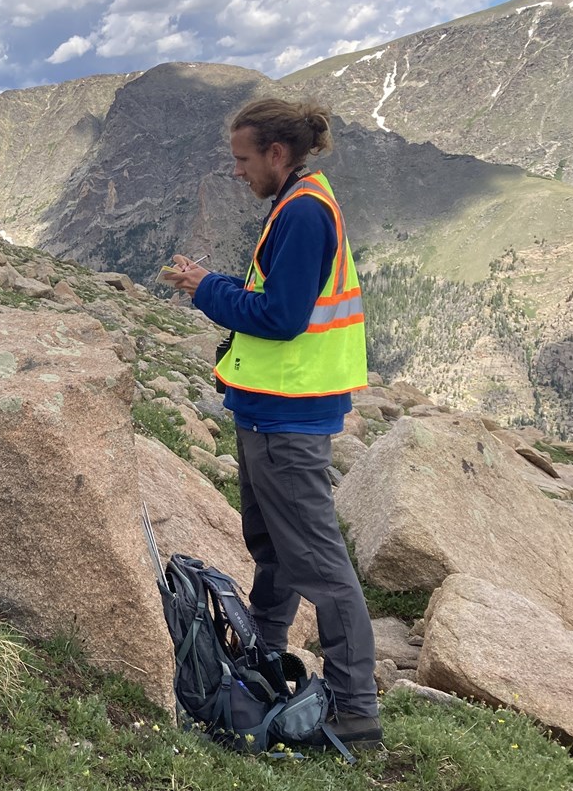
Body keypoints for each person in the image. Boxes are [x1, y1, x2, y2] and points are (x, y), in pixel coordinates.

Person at [162, 98, 381, 749]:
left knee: (317, 561)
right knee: (276, 552)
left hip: (290, 419)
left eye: (242, 158)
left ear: (276, 155)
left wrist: (207, 291)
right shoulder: (295, 203)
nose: (237, 171)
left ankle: (356, 708)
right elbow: (271, 300)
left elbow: (282, 317)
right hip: (269, 411)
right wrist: (214, 282)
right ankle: (262, 660)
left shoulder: (306, 212)